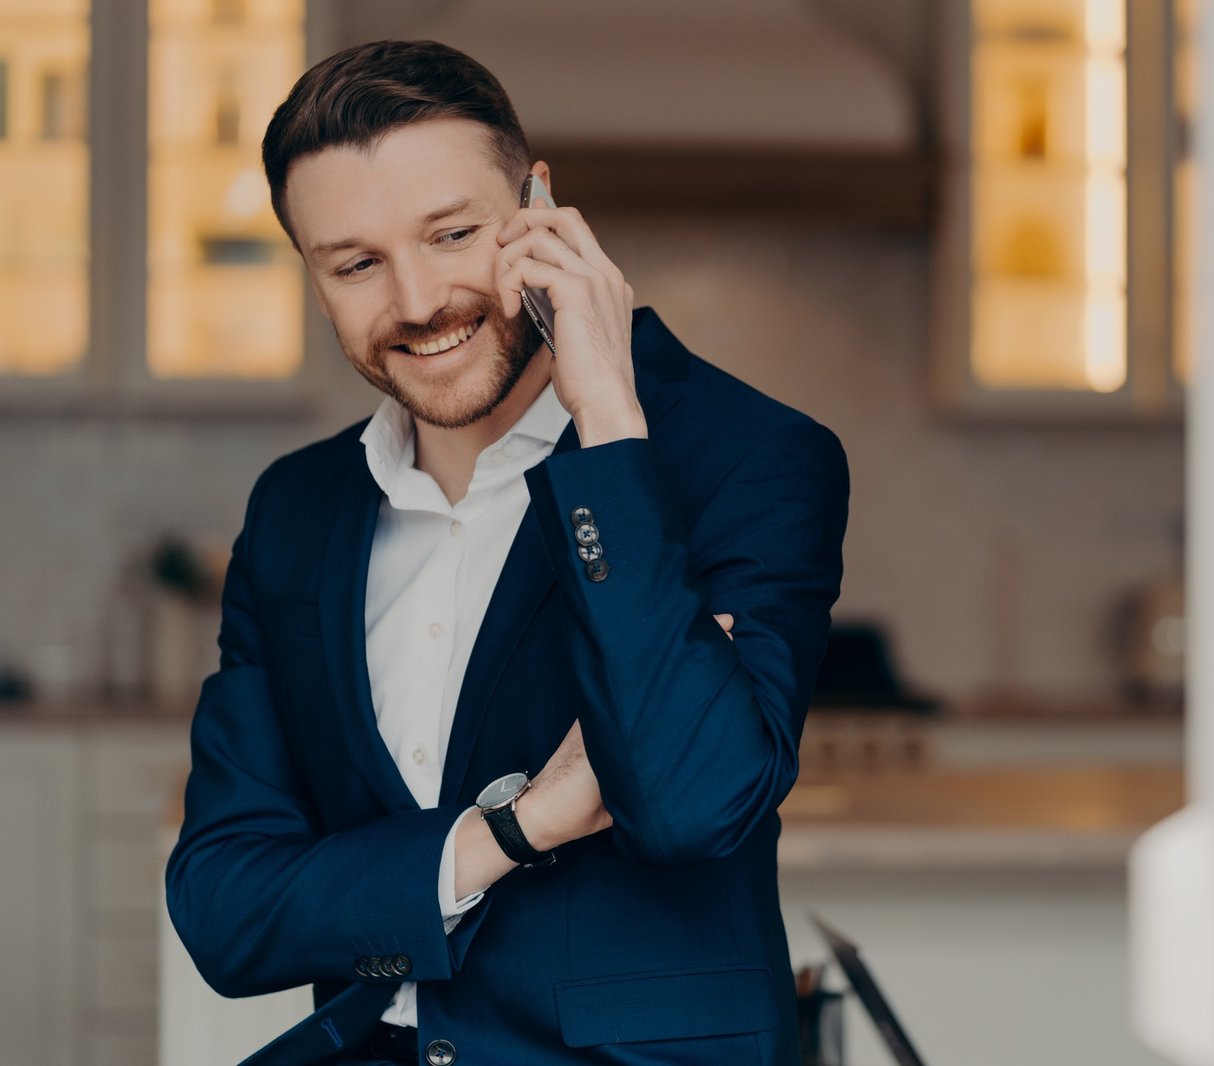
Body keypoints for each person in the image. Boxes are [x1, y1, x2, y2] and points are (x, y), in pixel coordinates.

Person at [165, 39, 849, 1066]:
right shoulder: (298, 509)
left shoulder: (743, 458)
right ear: (314, 279)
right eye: (355, 263)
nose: (416, 301)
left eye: (451, 234)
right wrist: (518, 827)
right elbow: (225, 908)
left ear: (538, 205)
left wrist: (611, 424)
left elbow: (691, 806)